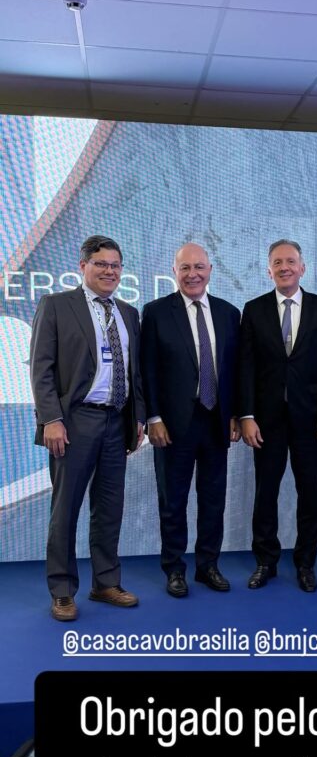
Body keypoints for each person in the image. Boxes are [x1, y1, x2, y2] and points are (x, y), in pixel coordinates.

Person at [30, 235, 145, 621]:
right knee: (65, 510)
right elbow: (41, 368)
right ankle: (62, 590)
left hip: (117, 421)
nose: (109, 271)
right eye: (101, 264)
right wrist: (51, 419)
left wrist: (138, 417)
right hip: (74, 421)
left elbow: (135, 373)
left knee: (110, 508)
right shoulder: (56, 306)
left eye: (115, 265)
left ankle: (106, 583)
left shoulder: (128, 313)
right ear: (83, 267)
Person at [238, 240, 317, 592]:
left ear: (302, 267)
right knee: (265, 492)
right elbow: (246, 367)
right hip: (265, 421)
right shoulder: (253, 310)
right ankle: (265, 561)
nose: (285, 267)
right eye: (278, 262)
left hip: (310, 421)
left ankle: (306, 564)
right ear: (269, 270)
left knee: (309, 493)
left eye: (291, 261)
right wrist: (246, 415)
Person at [140, 243, 240, 598]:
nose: (192, 274)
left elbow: (235, 370)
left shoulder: (229, 313)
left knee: (213, 499)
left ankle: (208, 565)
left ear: (210, 270)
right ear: (175, 271)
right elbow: (147, 370)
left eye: (199, 267)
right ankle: (174, 569)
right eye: (185, 268)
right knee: (173, 501)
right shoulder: (155, 312)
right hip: (172, 425)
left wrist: (236, 414)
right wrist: (153, 417)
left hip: (216, 421)